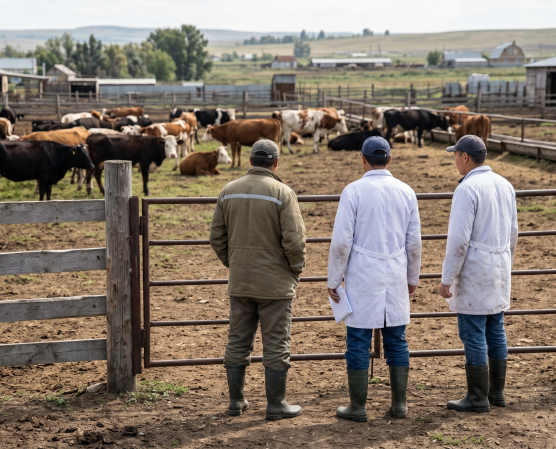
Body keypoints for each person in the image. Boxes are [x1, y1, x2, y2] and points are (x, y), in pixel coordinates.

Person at [210, 138, 307, 421]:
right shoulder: (283, 193)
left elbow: (217, 236)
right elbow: (295, 240)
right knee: (276, 342)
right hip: (275, 285)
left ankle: (236, 401)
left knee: (238, 339)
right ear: (276, 162)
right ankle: (276, 404)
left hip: (240, 280)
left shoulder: (228, 191)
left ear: (250, 161)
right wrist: (295, 269)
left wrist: (235, 262)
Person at [327, 136, 422, 422]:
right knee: (397, 337)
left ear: (363, 159)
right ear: (389, 160)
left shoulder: (353, 191)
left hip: (362, 274)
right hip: (395, 272)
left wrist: (334, 279)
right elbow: (414, 242)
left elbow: (342, 241)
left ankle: (357, 407)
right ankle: (400, 404)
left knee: (357, 338)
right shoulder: (406, 191)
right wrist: (412, 278)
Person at [438, 134, 517, 413]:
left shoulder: (467, 188)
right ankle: (497, 393)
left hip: (475, 269)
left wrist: (447, 278)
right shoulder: (505, 185)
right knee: (496, 328)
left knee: (472, 332)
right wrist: (507, 263)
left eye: (455, 155)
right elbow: (513, 233)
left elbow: (459, 239)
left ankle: (476, 396)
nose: (454, 160)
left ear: (464, 157)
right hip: (499, 266)